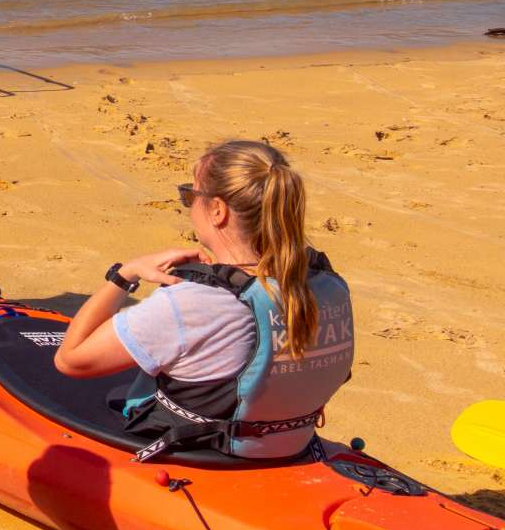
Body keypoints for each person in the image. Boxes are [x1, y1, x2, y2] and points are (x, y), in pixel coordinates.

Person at [54, 139, 354, 462]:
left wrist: (125, 274)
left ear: (217, 210)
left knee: (118, 389)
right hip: (292, 443)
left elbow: (70, 360)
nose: (188, 204)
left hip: (205, 453)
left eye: (190, 195)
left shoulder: (191, 303)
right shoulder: (320, 283)